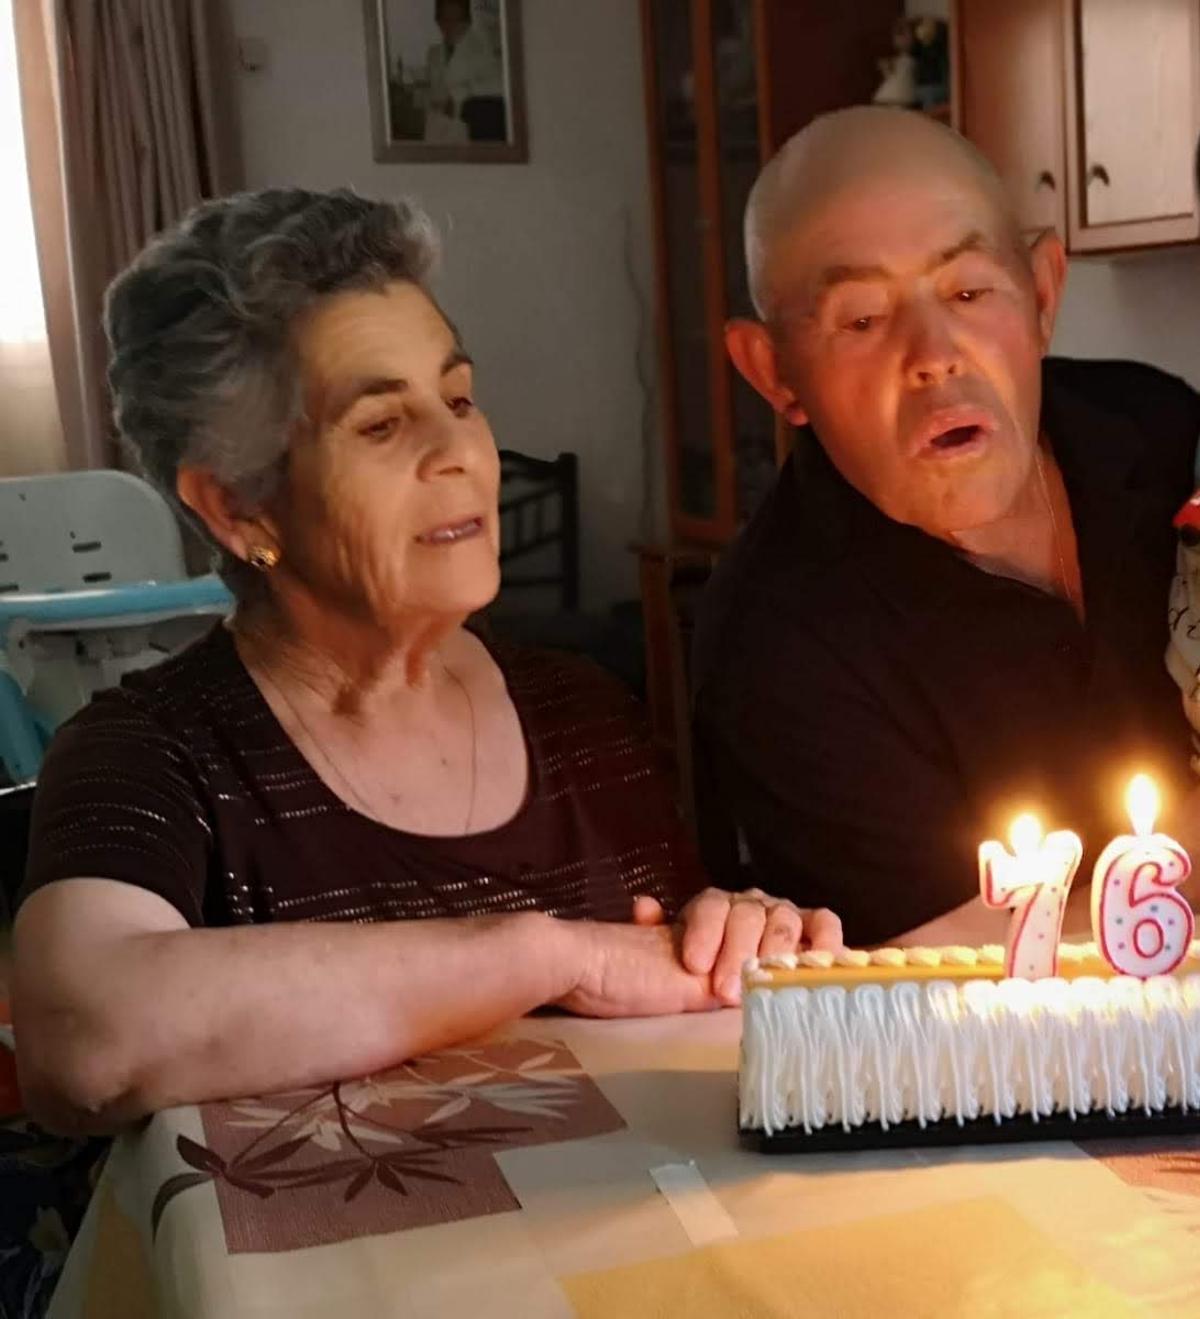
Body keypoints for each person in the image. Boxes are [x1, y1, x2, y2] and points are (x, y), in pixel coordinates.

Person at [12, 188, 841, 1137]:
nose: (461, 451)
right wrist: (547, 955)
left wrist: (738, 934)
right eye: (380, 424)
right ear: (237, 507)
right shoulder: (149, 752)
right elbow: (83, 1043)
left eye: (458, 398)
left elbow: (676, 996)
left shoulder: (584, 716)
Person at [692, 106, 1200, 948]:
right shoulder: (777, 642)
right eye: (861, 318)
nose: (934, 352)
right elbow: (928, 969)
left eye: (968, 290)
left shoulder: (1159, 432)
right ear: (773, 370)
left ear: (1041, 293)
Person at [424, 0, 504, 143]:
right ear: (438, 21)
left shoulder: (481, 49)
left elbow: (498, 86)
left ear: (467, 22)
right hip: (437, 127)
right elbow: (433, 94)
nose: (450, 26)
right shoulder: (433, 54)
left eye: (457, 20)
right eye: (445, 20)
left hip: (469, 126)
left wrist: (457, 97)